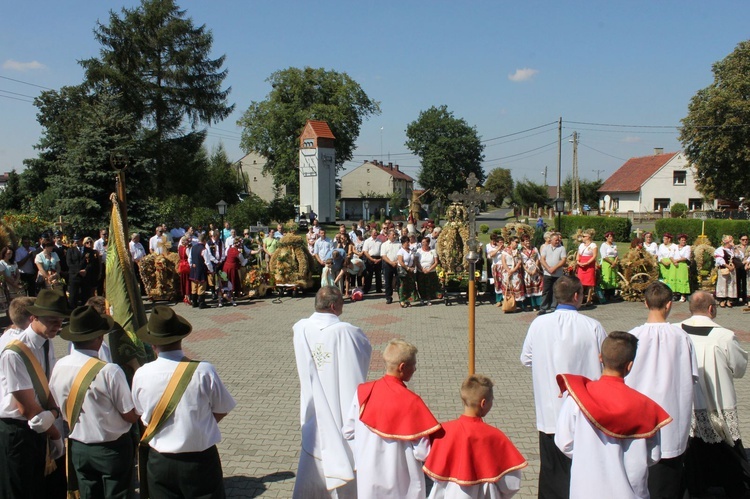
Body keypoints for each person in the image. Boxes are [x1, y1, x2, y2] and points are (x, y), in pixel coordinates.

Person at [131, 306, 236, 498]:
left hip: (160, 461)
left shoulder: (141, 374)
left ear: (153, 344)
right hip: (200, 459)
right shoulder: (204, 370)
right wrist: (198, 424)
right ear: (180, 339)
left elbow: (141, 414)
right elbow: (223, 408)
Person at [555, 331, 672, 499]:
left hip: (586, 490)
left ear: (600, 358)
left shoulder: (577, 400)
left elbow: (564, 442)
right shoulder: (644, 407)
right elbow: (653, 456)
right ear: (630, 365)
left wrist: (588, 455)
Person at [520, 275, 607, 498]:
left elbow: (526, 359)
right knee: (586, 468)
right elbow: (605, 361)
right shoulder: (593, 326)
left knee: (551, 469)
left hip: (550, 407)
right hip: (586, 409)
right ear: (577, 296)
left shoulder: (539, 323)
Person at [49, 306, 138, 499]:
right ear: (99, 339)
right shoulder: (109, 371)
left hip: (79, 446)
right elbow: (129, 415)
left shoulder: (59, 366)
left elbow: (56, 402)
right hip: (112, 448)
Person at [292, 286, 372, 498]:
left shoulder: (300, 328)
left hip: (313, 408)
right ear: (335, 306)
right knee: (344, 447)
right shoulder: (346, 332)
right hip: (340, 404)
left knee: (314, 446)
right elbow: (364, 353)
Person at [626, 281, 698, 499]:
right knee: (668, 483)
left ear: (645, 303)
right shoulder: (682, 337)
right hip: (671, 416)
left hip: (638, 420)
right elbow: (693, 375)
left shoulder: (632, 336)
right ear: (669, 305)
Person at [343, 339, 440, 498]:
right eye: (413, 364)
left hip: (368, 478)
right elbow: (423, 453)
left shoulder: (363, 392)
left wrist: (363, 455)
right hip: (401, 483)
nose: (415, 368)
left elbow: (347, 432)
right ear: (402, 367)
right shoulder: (412, 401)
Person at [679, 291, 750, 497]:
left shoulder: (676, 331)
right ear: (712, 309)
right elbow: (739, 369)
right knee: (727, 446)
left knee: (694, 446)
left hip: (688, 403)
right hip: (718, 402)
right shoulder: (724, 336)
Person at [0, 290, 69, 498]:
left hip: (41, 425)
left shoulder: (46, 341)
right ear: (34, 318)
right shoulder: (14, 353)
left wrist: (54, 413)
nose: (57, 325)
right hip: (18, 432)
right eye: (52, 320)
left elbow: (44, 385)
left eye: (60, 320)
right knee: (20, 490)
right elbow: (26, 407)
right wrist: (56, 435)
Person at [423, 374, 527, 499]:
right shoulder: (495, 436)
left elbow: (432, 470)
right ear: (483, 403)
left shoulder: (443, 431)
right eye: (491, 400)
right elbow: (511, 483)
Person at [67, 234, 99, 308]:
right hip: (74, 276)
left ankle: (86, 312)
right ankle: (72, 312)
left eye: (77, 241)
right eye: (75, 241)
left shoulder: (89, 251)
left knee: (86, 296)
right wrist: (79, 271)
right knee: (73, 296)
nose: (76, 242)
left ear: (81, 240)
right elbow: (69, 263)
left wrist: (86, 270)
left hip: (85, 276)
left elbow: (92, 263)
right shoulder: (70, 250)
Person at [539, 233, 566, 315]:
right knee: (546, 291)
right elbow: (542, 259)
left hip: (557, 274)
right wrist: (548, 268)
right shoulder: (546, 248)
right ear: (551, 240)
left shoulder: (562, 248)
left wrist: (554, 268)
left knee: (556, 291)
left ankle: (553, 307)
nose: (558, 241)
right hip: (547, 274)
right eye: (556, 240)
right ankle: (543, 308)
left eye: (558, 240)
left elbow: (563, 260)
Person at [500, 237, 524, 311]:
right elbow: (503, 261)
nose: (517, 244)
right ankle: (508, 304)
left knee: (516, 286)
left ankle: (515, 304)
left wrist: (513, 270)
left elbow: (519, 262)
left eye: (518, 242)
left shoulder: (518, 252)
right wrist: (508, 270)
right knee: (508, 286)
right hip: (506, 270)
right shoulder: (505, 251)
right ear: (511, 242)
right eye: (516, 242)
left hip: (515, 271)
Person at [520, 234, 542, 312]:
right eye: (526, 240)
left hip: (535, 269)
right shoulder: (521, 250)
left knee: (537, 286)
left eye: (528, 240)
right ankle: (530, 305)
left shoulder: (534, 248)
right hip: (527, 270)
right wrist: (528, 270)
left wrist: (535, 268)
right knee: (528, 287)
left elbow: (538, 259)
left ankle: (538, 304)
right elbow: (521, 262)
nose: (528, 242)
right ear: (522, 242)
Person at [188, 233, 211, 309]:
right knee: (201, 286)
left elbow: (189, 259)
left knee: (194, 286)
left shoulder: (193, 248)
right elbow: (207, 262)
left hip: (193, 268)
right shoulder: (204, 249)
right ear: (204, 240)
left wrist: (192, 265)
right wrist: (211, 270)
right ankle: (201, 303)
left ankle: (194, 302)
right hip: (201, 269)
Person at [416, 236, 440, 306]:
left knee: (429, 286)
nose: (423, 244)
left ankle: (429, 299)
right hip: (421, 271)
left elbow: (436, 262)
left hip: (430, 272)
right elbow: (417, 262)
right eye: (422, 242)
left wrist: (429, 269)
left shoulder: (433, 251)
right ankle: (422, 298)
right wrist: (422, 269)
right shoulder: (419, 251)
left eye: (424, 242)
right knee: (421, 285)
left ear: (428, 243)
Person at [575, 229, 597, 306]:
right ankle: (579, 299)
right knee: (580, 282)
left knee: (590, 282)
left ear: (588, 237)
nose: (583, 238)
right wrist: (578, 262)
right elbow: (578, 254)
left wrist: (587, 263)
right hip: (581, 264)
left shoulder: (593, 245)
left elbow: (594, 255)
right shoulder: (581, 245)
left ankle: (589, 299)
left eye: (584, 236)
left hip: (589, 264)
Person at [715, 234, 738, 308]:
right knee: (722, 284)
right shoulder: (720, 249)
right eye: (730, 240)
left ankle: (729, 300)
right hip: (724, 269)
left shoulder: (733, 249)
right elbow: (719, 260)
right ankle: (722, 300)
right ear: (726, 241)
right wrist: (727, 266)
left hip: (732, 269)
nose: (732, 242)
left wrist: (735, 248)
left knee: (731, 284)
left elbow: (739, 256)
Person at [397, 235, 418, 308]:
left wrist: (413, 266)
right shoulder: (401, 251)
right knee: (403, 286)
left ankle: (408, 300)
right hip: (404, 270)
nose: (408, 243)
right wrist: (407, 268)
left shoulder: (411, 250)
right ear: (403, 243)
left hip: (410, 271)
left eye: (408, 242)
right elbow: (401, 261)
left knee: (410, 286)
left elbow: (414, 259)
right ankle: (402, 300)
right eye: (407, 242)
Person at [381, 230, 401, 305]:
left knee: (399, 281)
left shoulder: (399, 244)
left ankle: (401, 296)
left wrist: (396, 262)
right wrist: (391, 262)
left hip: (397, 264)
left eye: (395, 235)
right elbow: (383, 256)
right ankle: (388, 297)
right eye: (393, 235)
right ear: (388, 236)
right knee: (388, 282)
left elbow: (401, 254)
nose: (395, 236)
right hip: (388, 265)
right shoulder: (384, 245)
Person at [599, 231, 619, 301]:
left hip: (614, 262)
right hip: (607, 262)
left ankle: (612, 294)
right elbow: (604, 256)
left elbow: (617, 255)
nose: (611, 238)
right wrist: (611, 262)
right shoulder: (604, 245)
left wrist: (615, 262)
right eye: (609, 236)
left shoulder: (614, 245)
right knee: (607, 277)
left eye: (612, 236)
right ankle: (606, 294)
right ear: (606, 237)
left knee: (613, 277)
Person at [362, 228, 383, 294]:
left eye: (376, 233)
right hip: (370, 258)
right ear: (371, 233)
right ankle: (367, 289)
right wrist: (372, 259)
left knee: (378, 275)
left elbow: (382, 252)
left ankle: (378, 289)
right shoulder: (367, 241)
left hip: (378, 258)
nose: (375, 234)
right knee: (368, 275)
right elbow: (365, 252)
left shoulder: (380, 241)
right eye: (374, 233)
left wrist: (379, 259)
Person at [671, 233, 691, 302]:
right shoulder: (674, 247)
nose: (683, 242)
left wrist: (677, 260)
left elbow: (686, 257)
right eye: (682, 240)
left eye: (684, 240)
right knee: (674, 278)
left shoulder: (687, 247)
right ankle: (675, 294)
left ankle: (683, 295)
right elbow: (671, 255)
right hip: (674, 265)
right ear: (679, 240)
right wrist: (674, 261)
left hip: (682, 265)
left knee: (683, 279)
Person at [486, 234, 505, 307]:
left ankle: (504, 299)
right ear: (496, 243)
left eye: (502, 242)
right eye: (499, 242)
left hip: (504, 267)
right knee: (497, 283)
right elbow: (490, 255)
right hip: (496, 267)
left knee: (505, 283)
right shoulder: (493, 249)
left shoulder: (506, 249)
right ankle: (498, 300)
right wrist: (498, 249)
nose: (501, 244)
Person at [176, 235, 191, 304]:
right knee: (187, 280)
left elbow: (179, 256)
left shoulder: (179, 248)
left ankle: (185, 296)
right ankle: (188, 297)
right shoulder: (186, 249)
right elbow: (189, 257)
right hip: (186, 265)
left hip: (181, 264)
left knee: (183, 280)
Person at [93, 229, 108, 296]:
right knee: (101, 280)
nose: (105, 235)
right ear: (100, 234)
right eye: (104, 234)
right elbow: (95, 253)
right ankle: (100, 295)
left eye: (106, 234)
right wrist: (99, 255)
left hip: (108, 263)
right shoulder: (97, 242)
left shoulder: (109, 242)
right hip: (101, 263)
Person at [735, 234, 749, 304]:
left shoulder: (749, 247)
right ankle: (737, 297)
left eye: (746, 239)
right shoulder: (736, 247)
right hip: (738, 266)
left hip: (746, 266)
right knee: (737, 282)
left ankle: (744, 298)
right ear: (740, 240)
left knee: (745, 282)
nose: (745, 241)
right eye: (743, 240)